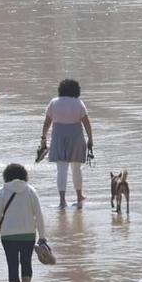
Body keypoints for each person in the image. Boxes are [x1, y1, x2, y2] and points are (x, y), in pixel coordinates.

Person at [0, 163, 47, 282]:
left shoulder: (2, 192)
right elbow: (39, 215)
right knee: (26, 264)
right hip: (28, 234)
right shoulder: (30, 191)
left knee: (12, 265)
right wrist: (42, 236)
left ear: (6, 176)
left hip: (8, 235)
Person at [38, 78, 95, 207]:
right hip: (76, 137)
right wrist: (90, 139)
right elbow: (86, 122)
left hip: (58, 137)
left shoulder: (54, 102)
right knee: (76, 169)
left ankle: (62, 200)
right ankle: (79, 196)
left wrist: (43, 138)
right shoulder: (78, 103)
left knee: (61, 170)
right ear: (76, 90)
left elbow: (47, 123)